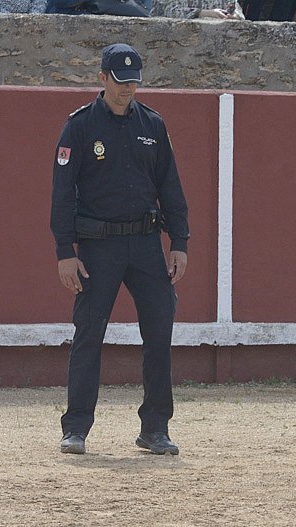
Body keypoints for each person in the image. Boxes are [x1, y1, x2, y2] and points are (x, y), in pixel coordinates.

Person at [50, 44, 190, 456]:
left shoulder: (152, 124)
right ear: (103, 78)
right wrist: (65, 250)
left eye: (133, 82)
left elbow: (170, 187)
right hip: (98, 246)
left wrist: (179, 242)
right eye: (120, 81)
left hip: (146, 244)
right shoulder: (79, 126)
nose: (127, 89)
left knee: (159, 333)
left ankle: (155, 428)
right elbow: (62, 193)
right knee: (89, 334)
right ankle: (76, 427)